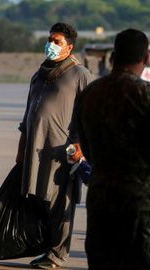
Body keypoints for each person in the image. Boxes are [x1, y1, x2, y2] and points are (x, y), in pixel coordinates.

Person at [15, 22, 93, 268]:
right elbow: (28, 113)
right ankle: (48, 249)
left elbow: (89, 114)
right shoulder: (39, 75)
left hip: (63, 152)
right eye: (50, 39)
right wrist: (21, 148)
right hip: (35, 150)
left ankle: (59, 254)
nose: (50, 44)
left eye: (57, 41)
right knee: (40, 200)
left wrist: (81, 144)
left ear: (69, 47)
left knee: (61, 203)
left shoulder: (80, 74)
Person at [75, 29, 150, 269]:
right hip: (139, 203)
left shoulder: (90, 93)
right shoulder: (145, 94)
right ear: (146, 58)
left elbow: (84, 146)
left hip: (100, 199)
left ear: (112, 57)